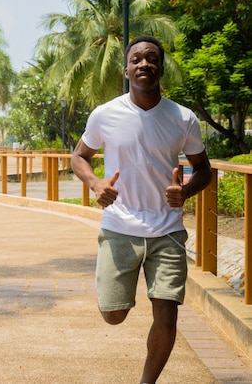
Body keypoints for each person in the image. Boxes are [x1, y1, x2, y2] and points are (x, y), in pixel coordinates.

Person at [71, 35, 212, 384]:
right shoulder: (105, 115)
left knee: (166, 314)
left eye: (151, 59)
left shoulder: (183, 118)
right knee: (114, 315)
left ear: (161, 68)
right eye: (136, 60)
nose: (144, 64)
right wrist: (96, 185)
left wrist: (186, 191)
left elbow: (205, 168)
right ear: (126, 70)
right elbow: (79, 156)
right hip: (120, 227)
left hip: (168, 231)